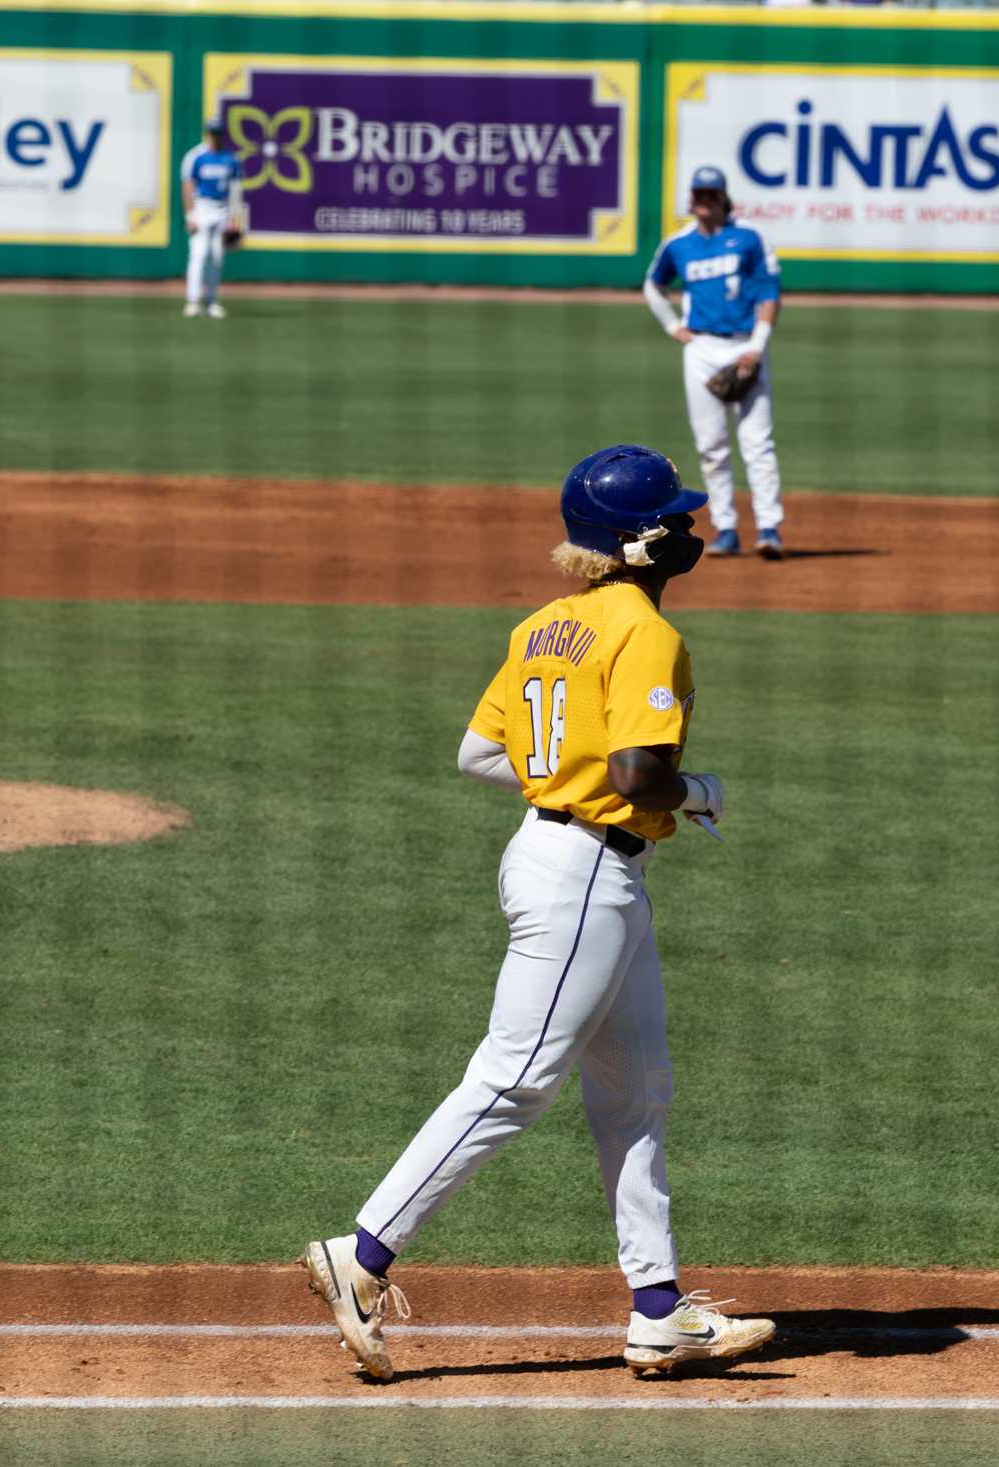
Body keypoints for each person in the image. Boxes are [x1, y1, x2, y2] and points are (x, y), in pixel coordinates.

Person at [301, 444, 776, 1383]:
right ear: (636, 544)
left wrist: (559, 781)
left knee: (637, 1089)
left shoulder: (544, 626)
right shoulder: (644, 632)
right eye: (673, 522)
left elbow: (480, 753)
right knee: (515, 1079)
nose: (689, 532)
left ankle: (658, 1311)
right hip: (584, 880)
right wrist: (703, 792)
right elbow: (641, 773)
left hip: (567, 862)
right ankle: (360, 1255)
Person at [643, 165, 787, 559]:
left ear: (724, 198)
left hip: (745, 346)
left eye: (711, 194)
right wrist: (673, 325)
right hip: (701, 350)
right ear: (692, 198)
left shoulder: (749, 238)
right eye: (699, 193)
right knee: (711, 444)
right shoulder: (678, 245)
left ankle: (769, 529)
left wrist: (757, 345)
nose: (704, 200)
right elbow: (653, 284)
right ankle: (726, 529)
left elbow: (770, 293)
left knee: (758, 442)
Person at [179, 117, 242, 319]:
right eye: (211, 132)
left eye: (217, 132)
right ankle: (193, 301)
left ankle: (211, 302)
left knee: (216, 257)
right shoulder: (196, 156)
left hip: (222, 210)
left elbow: (235, 190)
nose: (214, 136)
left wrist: (234, 217)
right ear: (206, 133)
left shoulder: (230, 158)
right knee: (198, 255)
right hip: (202, 207)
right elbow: (188, 186)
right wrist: (190, 215)